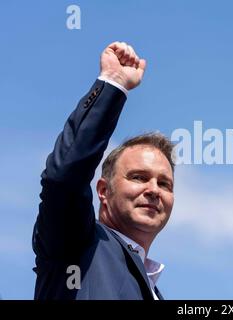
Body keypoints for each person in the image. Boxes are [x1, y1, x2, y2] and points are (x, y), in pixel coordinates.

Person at [32, 41, 175, 300]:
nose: (153, 190)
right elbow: (63, 179)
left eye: (164, 183)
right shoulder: (77, 242)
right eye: (139, 177)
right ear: (103, 191)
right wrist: (113, 82)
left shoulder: (152, 289)